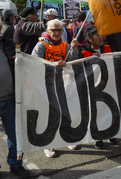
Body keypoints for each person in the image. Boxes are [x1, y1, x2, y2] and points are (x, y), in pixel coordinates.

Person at [0, 13, 30, 178]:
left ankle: (16, 164)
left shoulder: (10, 45)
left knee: (16, 134)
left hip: (12, 99)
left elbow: (26, 63)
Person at [31, 19, 79, 158]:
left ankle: (67, 138)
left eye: (59, 30)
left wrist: (74, 50)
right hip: (46, 85)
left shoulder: (65, 45)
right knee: (49, 115)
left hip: (63, 84)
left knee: (65, 113)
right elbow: (35, 63)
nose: (57, 32)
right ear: (48, 31)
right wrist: (53, 64)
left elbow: (72, 62)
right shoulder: (41, 46)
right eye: (54, 30)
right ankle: (48, 144)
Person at [80, 25, 118, 149]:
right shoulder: (84, 53)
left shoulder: (107, 48)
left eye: (101, 35)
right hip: (93, 87)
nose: (101, 38)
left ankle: (111, 134)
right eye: (97, 35)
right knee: (96, 112)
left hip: (108, 85)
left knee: (110, 110)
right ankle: (98, 137)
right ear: (89, 39)